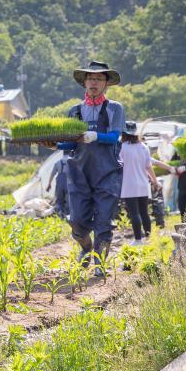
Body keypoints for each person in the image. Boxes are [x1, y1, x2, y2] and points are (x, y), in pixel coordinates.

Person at [52, 61, 125, 272]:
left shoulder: (114, 108)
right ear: (84, 82)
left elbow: (114, 137)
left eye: (99, 78)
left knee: (104, 220)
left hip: (107, 172)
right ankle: (86, 248)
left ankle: (100, 263)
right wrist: (54, 144)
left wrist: (95, 136)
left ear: (106, 83)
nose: (94, 82)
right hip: (78, 173)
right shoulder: (74, 111)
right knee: (76, 221)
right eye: (90, 78)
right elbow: (70, 143)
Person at [120, 122, 161, 245]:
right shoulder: (143, 147)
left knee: (134, 213)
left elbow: (118, 165)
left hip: (128, 185)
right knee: (144, 212)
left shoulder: (122, 148)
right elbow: (149, 167)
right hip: (143, 184)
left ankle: (138, 240)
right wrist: (155, 181)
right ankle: (148, 239)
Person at [46, 154, 70, 218]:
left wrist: (49, 184)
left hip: (59, 183)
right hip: (69, 183)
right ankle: (68, 215)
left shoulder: (58, 162)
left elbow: (52, 174)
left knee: (59, 199)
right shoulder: (71, 161)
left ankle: (60, 213)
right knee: (69, 199)